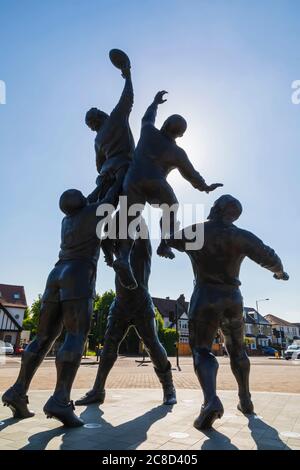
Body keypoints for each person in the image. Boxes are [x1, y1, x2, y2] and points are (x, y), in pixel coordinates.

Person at [167, 194, 289, 430]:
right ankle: (245, 400)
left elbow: (170, 239)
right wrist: (280, 273)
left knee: (202, 350)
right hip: (233, 299)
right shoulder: (241, 236)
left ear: (216, 208)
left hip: (205, 297)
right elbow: (269, 257)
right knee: (237, 349)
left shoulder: (197, 232)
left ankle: (211, 400)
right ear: (234, 215)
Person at [2, 189, 104, 427]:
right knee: (76, 335)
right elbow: (116, 195)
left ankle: (18, 390)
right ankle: (60, 399)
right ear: (80, 201)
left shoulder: (67, 220)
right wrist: (117, 172)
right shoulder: (92, 213)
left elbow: (91, 199)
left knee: (43, 336)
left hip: (56, 273)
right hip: (79, 273)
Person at [112, 90, 223, 290]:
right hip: (156, 183)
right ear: (180, 134)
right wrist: (205, 187)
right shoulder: (177, 152)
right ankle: (165, 242)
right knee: (171, 206)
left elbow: (148, 117)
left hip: (133, 180)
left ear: (165, 125)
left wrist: (155, 102)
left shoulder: (147, 131)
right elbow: (192, 175)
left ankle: (122, 257)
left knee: (130, 219)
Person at [75, 223, 177, 408]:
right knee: (109, 345)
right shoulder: (119, 248)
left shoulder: (143, 246)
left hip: (141, 304)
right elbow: (104, 236)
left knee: (152, 344)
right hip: (120, 304)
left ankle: (168, 388)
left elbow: (139, 224)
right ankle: (98, 390)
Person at [86, 50, 134, 208]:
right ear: (100, 115)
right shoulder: (116, 118)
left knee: (100, 202)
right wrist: (128, 76)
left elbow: (99, 166)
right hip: (124, 167)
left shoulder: (97, 139)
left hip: (106, 173)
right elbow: (127, 97)